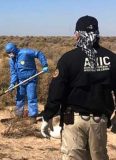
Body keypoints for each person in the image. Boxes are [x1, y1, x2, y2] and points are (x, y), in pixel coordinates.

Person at [41, 15, 116, 160]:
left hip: (73, 121)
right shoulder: (111, 58)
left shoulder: (68, 59)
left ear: (77, 34)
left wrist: (48, 115)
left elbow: (56, 92)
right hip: (99, 122)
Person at [6, 42, 49, 123]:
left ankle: (33, 117)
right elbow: (13, 73)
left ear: (14, 50)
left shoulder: (25, 52)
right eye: (8, 53)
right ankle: (19, 115)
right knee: (19, 98)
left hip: (31, 80)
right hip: (20, 81)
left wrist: (45, 65)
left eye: (10, 53)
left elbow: (39, 53)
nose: (9, 55)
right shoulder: (12, 60)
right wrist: (12, 83)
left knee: (31, 97)